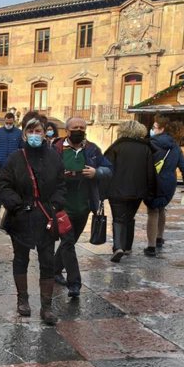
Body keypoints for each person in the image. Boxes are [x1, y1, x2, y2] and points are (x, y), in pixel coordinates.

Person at [0, 116, 66, 324]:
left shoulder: (54, 157)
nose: (35, 135)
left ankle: (46, 307)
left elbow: (61, 185)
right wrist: (16, 205)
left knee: (47, 260)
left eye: (39, 131)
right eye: (31, 131)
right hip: (21, 217)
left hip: (46, 217)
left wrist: (54, 205)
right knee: (21, 258)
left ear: (45, 133)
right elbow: (4, 185)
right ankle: (23, 301)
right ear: (24, 134)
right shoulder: (15, 158)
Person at [52, 117, 112, 297]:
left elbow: (109, 169)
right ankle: (74, 283)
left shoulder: (92, 149)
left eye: (82, 127)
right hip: (63, 205)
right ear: (67, 131)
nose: (79, 130)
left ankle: (53, 270)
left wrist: (96, 172)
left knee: (69, 242)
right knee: (68, 242)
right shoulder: (57, 149)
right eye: (75, 127)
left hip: (84, 206)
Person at [104, 120, 157, 262]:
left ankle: (118, 247)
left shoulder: (116, 147)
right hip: (138, 191)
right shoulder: (146, 149)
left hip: (116, 190)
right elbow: (150, 173)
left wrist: (102, 190)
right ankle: (127, 246)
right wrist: (150, 191)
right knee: (128, 217)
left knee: (118, 218)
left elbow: (106, 170)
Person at [144, 115, 184, 256]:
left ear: (162, 128)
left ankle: (151, 246)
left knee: (152, 211)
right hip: (169, 183)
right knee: (161, 208)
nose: (152, 130)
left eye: (154, 127)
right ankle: (159, 238)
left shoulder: (149, 143)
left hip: (152, 182)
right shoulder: (175, 147)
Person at [0, 112, 22, 216]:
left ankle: (12, 205)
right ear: (4, 121)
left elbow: (22, 147)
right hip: (1, 163)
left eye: (10, 123)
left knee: (14, 185)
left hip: (14, 165)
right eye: (7, 122)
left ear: (13, 121)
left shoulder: (19, 133)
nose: (8, 124)